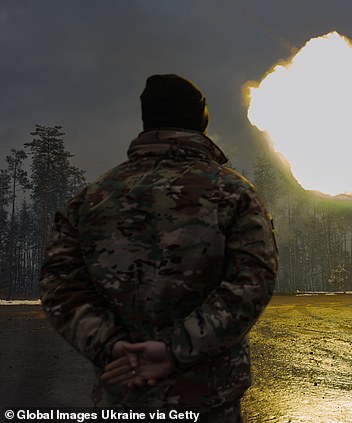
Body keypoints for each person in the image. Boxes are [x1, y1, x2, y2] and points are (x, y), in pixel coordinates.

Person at [40, 74, 278, 421]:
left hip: (123, 393)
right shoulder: (233, 193)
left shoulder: (92, 199)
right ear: (201, 120)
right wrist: (175, 349)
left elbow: (60, 286)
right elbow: (252, 283)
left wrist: (112, 347)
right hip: (208, 399)